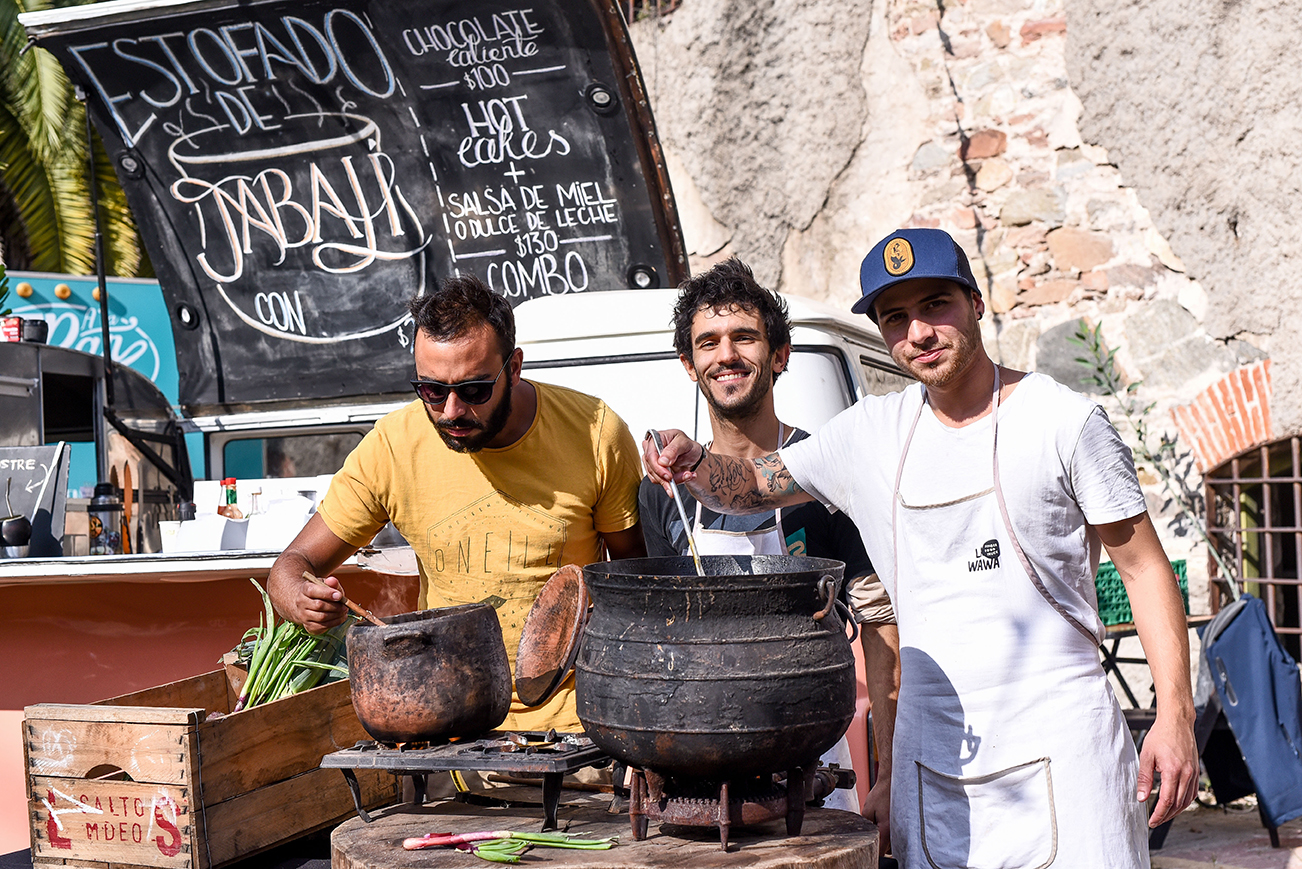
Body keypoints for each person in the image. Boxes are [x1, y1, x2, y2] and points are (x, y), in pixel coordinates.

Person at [644, 228, 1198, 867]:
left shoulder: (1062, 421)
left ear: (975, 302)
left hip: (1062, 740)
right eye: (895, 318)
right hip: (930, 754)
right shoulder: (872, 435)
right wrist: (692, 463)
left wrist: (1174, 716)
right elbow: (746, 488)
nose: (919, 332)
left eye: (936, 305)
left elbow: (1145, 567)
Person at [269, 274, 646, 733]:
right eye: (431, 390)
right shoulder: (393, 445)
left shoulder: (595, 434)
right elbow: (293, 563)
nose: (450, 411)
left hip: (575, 731)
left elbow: (637, 581)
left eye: (473, 391)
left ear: (514, 368)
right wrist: (298, 598)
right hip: (451, 729)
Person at [639, 258, 900, 829]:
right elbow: (659, 634)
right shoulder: (662, 490)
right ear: (689, 365)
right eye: (707, 343)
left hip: (813, 747)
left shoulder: (823, 473)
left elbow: (881, 623)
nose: (725, 354)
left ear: (779, 354)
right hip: (697, 754)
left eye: (744, 337)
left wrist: (889, 772)